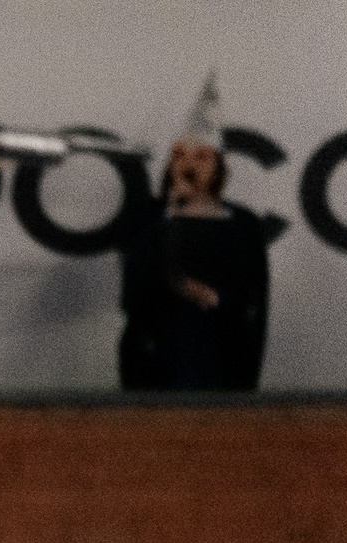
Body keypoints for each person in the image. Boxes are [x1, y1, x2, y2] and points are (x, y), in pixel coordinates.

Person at [119, 75, 268, 391]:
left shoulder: (243, 224)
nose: (189, 165)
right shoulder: (149, 217)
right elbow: (134, 290)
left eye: (201, 157)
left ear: (218, 167)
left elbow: (254, 301)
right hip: (157, 359)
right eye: (180, 155)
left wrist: (215, 301)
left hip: (221, 356)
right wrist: (171, 213)